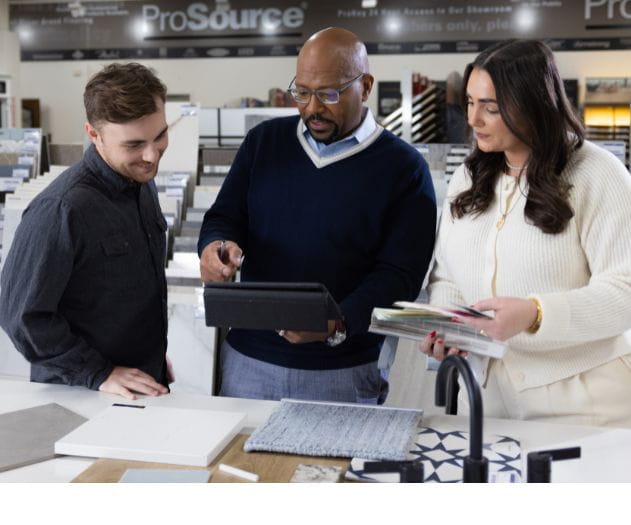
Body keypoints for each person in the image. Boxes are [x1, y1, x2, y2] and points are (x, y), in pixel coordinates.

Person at [199, 27, 436, 403]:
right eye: (302, 92)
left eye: (329, 94)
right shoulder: (264, 143)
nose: (312, 108)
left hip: (344, 371)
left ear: (366, 86)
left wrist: (336, 323)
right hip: (248, 362)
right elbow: (224, 216)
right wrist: (215, 246)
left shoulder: (403, 168)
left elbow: (400, 276)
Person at [420, 39, 631, 428]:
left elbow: (625, 291)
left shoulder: (598, 174)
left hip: (584, 407)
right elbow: (448, 273)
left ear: (535, 104)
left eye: (491, 108)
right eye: (470, 102)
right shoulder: (469, 175)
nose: (473, 119)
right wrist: (448, 325)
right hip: (485, 405)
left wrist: (535, 314)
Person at [0, 63, 172, 400]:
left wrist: (149, 353)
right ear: (94, 134)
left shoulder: (139, 183)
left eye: (160, 135)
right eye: (134, 144)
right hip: (82, 394)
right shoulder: (62, 209)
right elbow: (21, 316)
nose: (152, 156)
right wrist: (97, 371)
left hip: (137, 385)